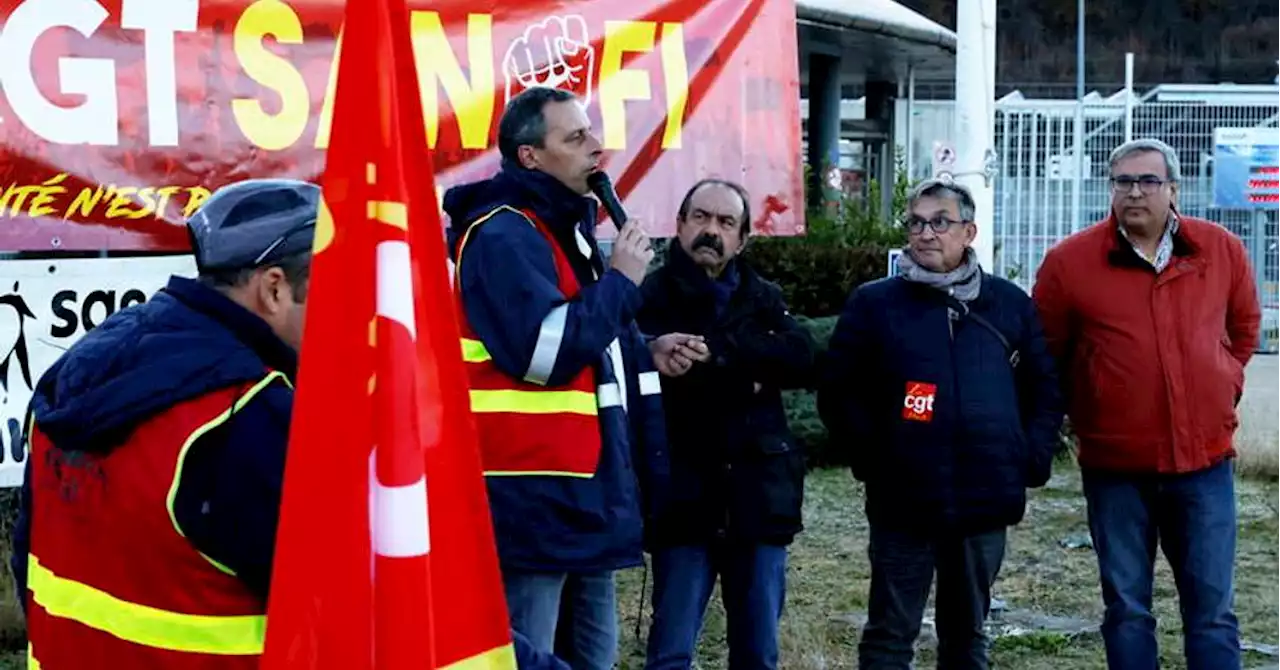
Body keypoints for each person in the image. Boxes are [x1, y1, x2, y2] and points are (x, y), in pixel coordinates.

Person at [10, 178, 566, 670]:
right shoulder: (245, 419)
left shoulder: (80, 365)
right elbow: (390, 608)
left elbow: (28, 549)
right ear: (273, 288)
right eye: (338, 288)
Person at [441, 86, 671, 668]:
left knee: (593, 654)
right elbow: (542, 352)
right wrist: (621, 282)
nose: (597, 147)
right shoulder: (502, 233)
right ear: (530, 158)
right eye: (575, 137)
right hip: (532, 494)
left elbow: (591, 343)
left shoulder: (563, 227)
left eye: (590, 131)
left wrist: (645, 350)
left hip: (582, 493)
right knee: (531, 654)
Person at [1032, 138, 1261, 670]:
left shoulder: (1220, 249)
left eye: (1147, 181)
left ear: (1173, 190)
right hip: (1116, 469)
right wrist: (1089, 402)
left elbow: (1245, 328)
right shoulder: (1069, 263)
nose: (1134, 192)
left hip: (1203, 465)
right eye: (1123, 182)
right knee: (1128, 609)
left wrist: (1223, 377)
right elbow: (1047, 353)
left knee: (1212, 613)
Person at [818, 179, 1063, 670]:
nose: (926, 233)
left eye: (940, 222)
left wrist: (1029, 459)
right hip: (904, 501)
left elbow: (1045, 389)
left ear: (968, 231)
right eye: (916, 222)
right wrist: (875, 460)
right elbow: (839, 391)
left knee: (966, 637)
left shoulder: (1008, 303)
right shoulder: (875, 304)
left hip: (985, 497)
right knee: (890, 635)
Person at [636, 178, 815, 669]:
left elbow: (802, 357)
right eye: (700, 218)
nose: (710, 231)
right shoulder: (647, 299)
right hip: (683, 502)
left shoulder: (763, 297)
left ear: (742, 239)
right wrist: (748, 376)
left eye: (725, 222)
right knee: (670, 653)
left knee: (757, 654)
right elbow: (632, 369)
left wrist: (720, 358)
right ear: (678, 225)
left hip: (757, 501)